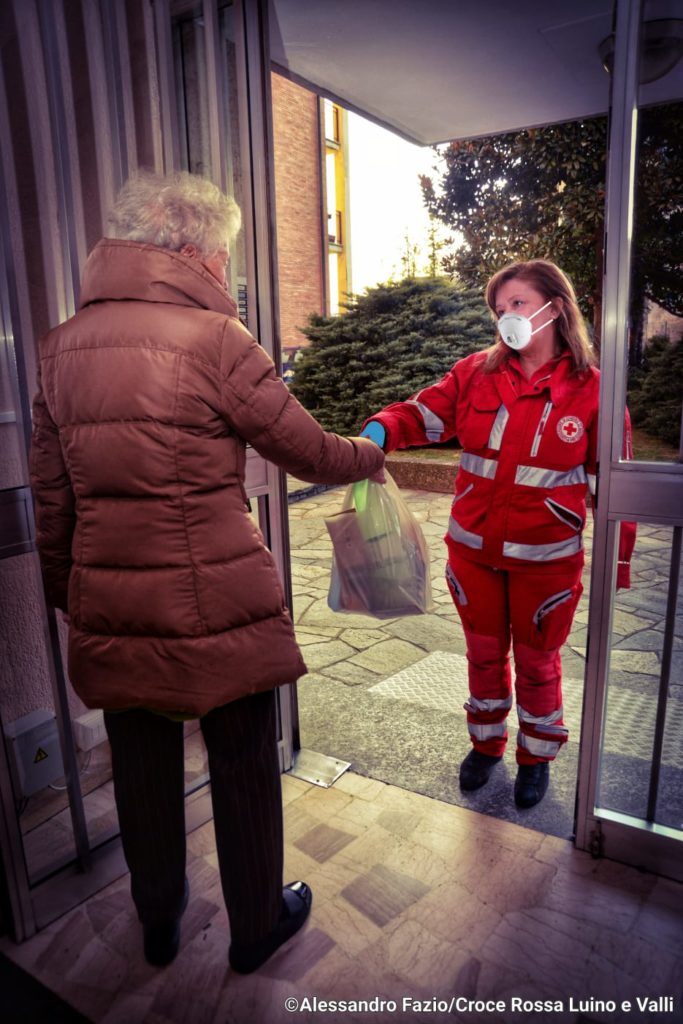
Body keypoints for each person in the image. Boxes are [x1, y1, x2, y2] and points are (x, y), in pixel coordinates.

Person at [29, 170, 384, 970]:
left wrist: (72, 595)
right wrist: (371, 451)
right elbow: (308, 451)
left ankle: (158, 919)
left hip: (111, 598)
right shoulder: (216, 340)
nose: (226, 270)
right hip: (217, 596)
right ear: (189, 249)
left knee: (141, 765)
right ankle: (255, 927)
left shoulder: (57, 347)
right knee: (243, 758)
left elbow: (53, 497)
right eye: (223, 254)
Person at [361, 259, 635, 809]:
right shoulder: (475, 373)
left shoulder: (594, 391)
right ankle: (486, 746)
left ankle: (536, 758)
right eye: (499, 308)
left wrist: (619, 563)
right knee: (483, 657)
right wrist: (380, 430)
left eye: (518, 303)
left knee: (537, 663)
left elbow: (618, 489)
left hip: (546, 563)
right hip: (474, 554)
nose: (505, 315)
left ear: (554, 308)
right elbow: (420, 415)